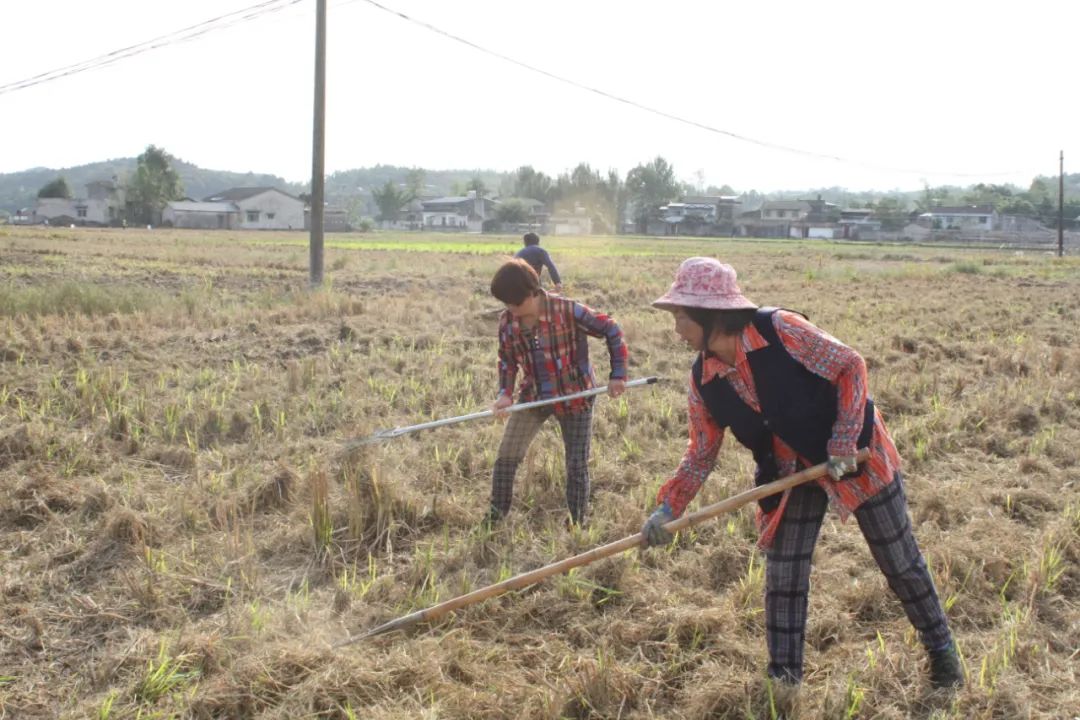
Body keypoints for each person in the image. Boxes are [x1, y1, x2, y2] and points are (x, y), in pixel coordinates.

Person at [640, 257, 963, 692]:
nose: (676, 325)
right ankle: (784, 680)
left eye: (681, 314)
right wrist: (667, 507)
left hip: (856, 455)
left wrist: (844, 442)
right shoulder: (704, 379)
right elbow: (700, 452)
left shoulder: (781, 330)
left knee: (899, 561)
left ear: (710, 313)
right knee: (784, 576)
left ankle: (942, 651)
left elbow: (850, 365)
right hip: (788, 471)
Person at [486, 258, 627, 528]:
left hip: (574, 396)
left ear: (532, 292)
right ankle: (495, 516)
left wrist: (617, 375)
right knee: (506, 456)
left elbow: (611, 329)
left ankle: (577, 522)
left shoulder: (567, 310)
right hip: (534, 395)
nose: (511, 310)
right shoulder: (507, 322)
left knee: (576, 464)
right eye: (506, 305)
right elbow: (506, 360)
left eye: (515, 304)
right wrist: (505, 393)